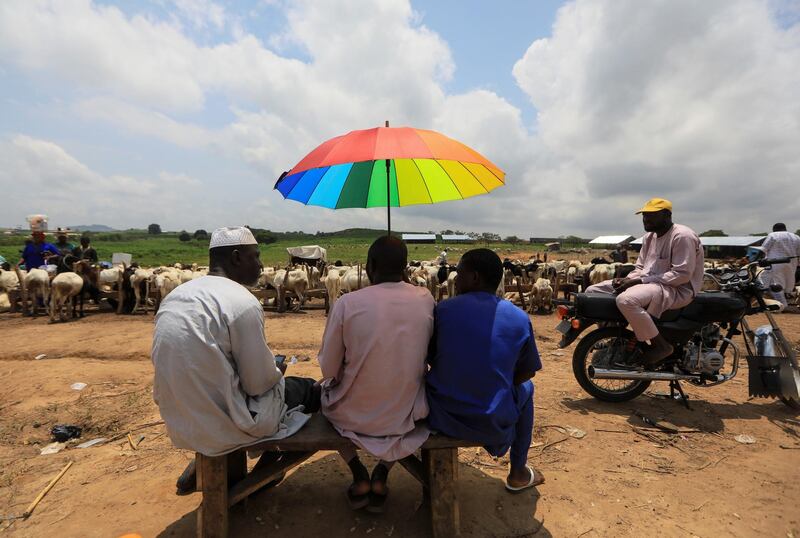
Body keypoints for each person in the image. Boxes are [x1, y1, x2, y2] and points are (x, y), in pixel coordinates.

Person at [152, 226, 320, 494]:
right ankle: (266, 474)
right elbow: (257, 384)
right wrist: (277, 368)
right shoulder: (241, 301)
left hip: (181, 419)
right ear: (236, 257)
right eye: (255, 256)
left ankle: (205, 459)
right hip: (226, 423)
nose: (261, 264)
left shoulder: (177, 296)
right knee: (311, 390)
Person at [318, 235, 434, 512]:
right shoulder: (425, 298)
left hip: (352, 414)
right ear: (406, 267)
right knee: (410, 415)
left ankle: (358, 473)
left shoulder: (348, 303)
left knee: (322, 401)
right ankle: (382, 472)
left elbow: (328, 368)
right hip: (405, 412)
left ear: (369, 266)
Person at [426, 248, 544, 492]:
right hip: (491, 418)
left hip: (441, 414)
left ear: (475, 277)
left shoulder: (443, 310)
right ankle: (518, 471)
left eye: (460, 274)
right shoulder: (519, 317)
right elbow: (527, 372)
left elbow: (427, 358)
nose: (455, 279)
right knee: (527, 388)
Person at [585, 198, 704, 367]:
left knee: (626, 300)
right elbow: (641, 266)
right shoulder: (649, 237)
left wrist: (639, 281)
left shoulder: (682, 236)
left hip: (675, 289)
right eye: (644, 216)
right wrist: (628, 279)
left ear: (667, 215)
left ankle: (661, 346)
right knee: (592, 291)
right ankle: (612, 337)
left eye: (651, 216)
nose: (646, 220)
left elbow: (681, 274)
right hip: (649, 284)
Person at [760, 223, 800, 312]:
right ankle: (787, 302)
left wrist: (757, 259)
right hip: (791, 263)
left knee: (776, 283)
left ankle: (781, 306)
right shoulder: (796, 237)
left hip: (775, 262)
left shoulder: (773, 235)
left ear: (774, 229)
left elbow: (763, 249)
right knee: (788, 283)